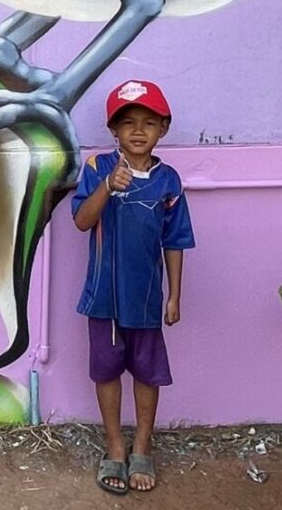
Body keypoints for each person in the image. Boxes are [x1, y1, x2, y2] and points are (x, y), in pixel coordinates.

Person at [71, 79, 195, 495]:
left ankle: (142, 446)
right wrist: (108, 187)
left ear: (163, 128)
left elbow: (174, 241)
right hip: (103, 298)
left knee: (147, 373)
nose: (138, 130)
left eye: (148, 122)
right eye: (127, 123)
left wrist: (175, 295)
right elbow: (82, 221)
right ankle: (115, 448)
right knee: (106, 371)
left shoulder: (169, 181)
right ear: (113, 131)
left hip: (145, 300)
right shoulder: (97, 168)